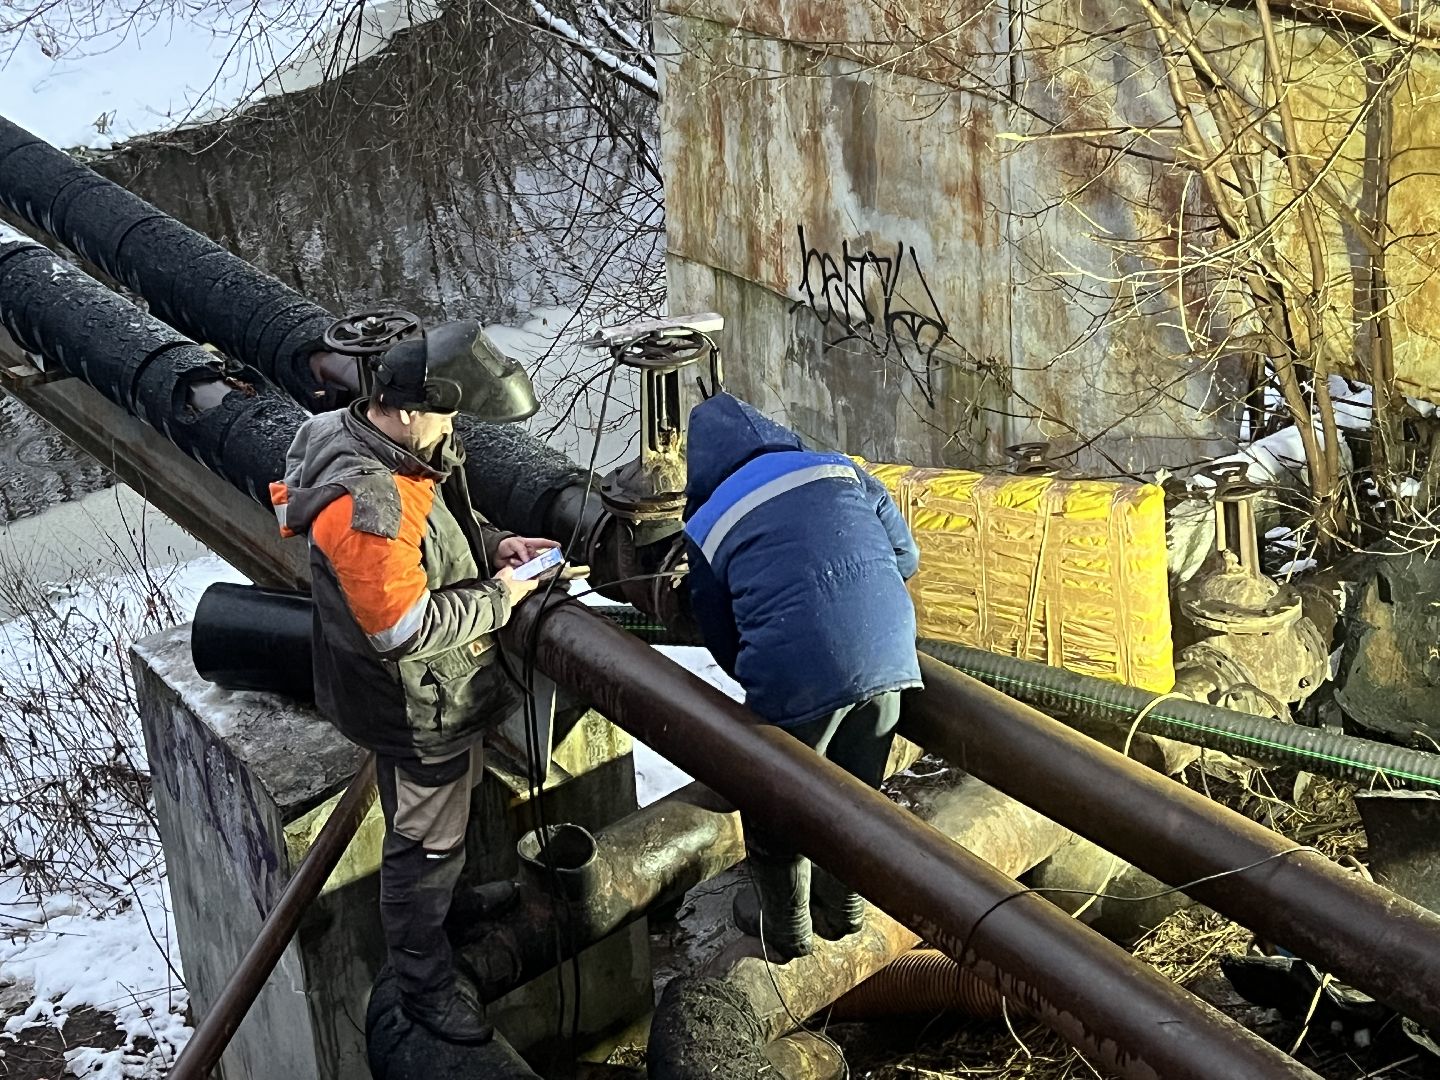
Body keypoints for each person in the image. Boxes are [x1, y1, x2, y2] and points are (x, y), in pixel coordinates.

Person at [269, 320, 559, 1043]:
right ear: (403, 409)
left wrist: (496, 543)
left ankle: (450, 909)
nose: (452, 427)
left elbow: (438, 521)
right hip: (412, 702)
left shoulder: (369, 437)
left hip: (418, 690)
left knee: (436, 826)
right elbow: (402, 630)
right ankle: (425, 984)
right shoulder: (369, 501)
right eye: (446, 412)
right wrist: (502, 598)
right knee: (425, 846)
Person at [681, 392, 923, 961]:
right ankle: (844, 912)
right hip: (891, 657)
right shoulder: (843, 468)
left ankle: (786, 932)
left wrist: (769, 669)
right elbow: (906, 557)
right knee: (855, 796)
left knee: (777, 805)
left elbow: (718, 631)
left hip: (794, 676)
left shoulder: (709, 522)